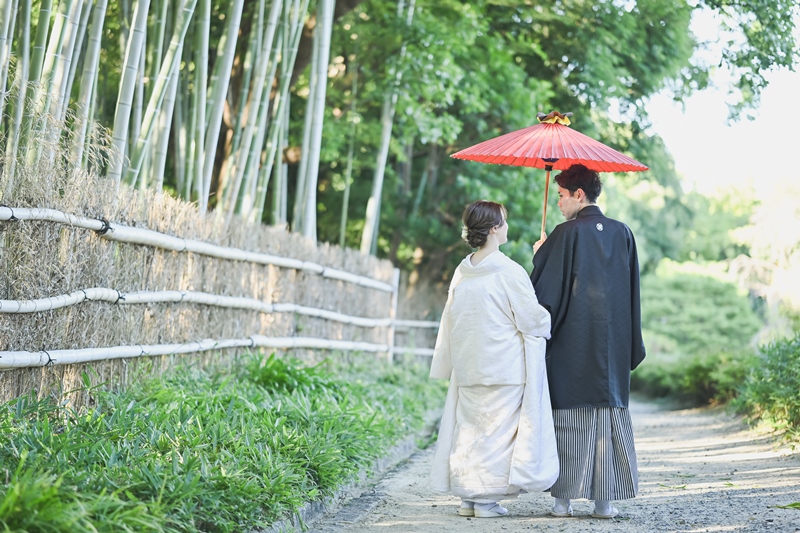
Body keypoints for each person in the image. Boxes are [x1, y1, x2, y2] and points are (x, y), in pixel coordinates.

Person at [429, 200, 560, 519]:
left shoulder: (462, 273)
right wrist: (548, 316)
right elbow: (532, 320)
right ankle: (485, 500)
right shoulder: (509, 271)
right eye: (504, 221)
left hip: (469, 366)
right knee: (495, 435)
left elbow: (450, 319)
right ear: (493, 229)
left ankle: (469, 498)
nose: (507, 226)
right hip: (503, 367)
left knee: (470, 430)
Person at [530, 163, 646, 519]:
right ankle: (604, 503)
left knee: (568, 419)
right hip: (613, 344)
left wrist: (540, 256)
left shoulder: (565, 233)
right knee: (607, 417)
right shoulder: (623, 232)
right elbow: (633, 292)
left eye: (562, 196)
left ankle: (562, 502)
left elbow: (544, 295)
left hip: (573, 343)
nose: (559, 203)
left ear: (578, 195)